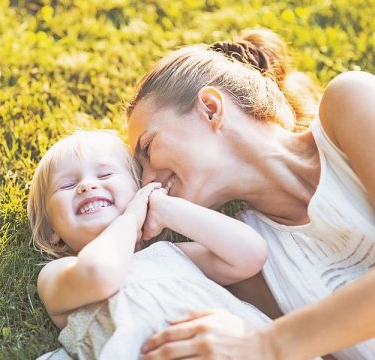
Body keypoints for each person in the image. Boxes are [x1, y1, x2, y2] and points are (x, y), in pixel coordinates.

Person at [126, 28, 375, 360]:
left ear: (211, 108)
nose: (147, 181)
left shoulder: (351, 102)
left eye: (148, 147)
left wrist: (267, 343)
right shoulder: (247, 267)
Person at [27, 130, 275, 359]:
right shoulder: (60, 272)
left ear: (138, 190)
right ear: (52, 232)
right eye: (67, 185)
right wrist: (131, 219)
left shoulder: (171, 255)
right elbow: (100, 273)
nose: (86, 186)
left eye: (105, 174)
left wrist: (165, 208)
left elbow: (251, 254)